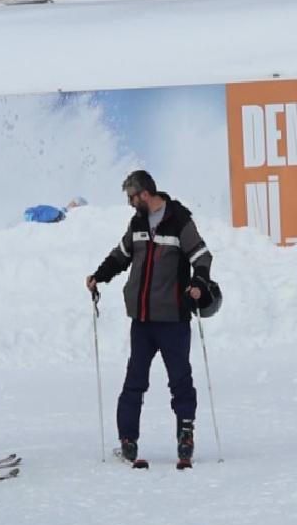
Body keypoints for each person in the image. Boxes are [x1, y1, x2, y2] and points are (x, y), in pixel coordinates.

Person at [89, 170, 213, 469]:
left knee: (180, 381)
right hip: (142, 321)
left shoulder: (179, 220)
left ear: (145, 194)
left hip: (173, 319)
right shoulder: (138, 223)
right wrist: (99, 276)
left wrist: (199, 283)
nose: (130, 203)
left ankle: (186, 434)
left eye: (132, 197)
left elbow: (202, 256)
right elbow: (121, 255)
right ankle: (127, 440)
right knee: (135, 381)